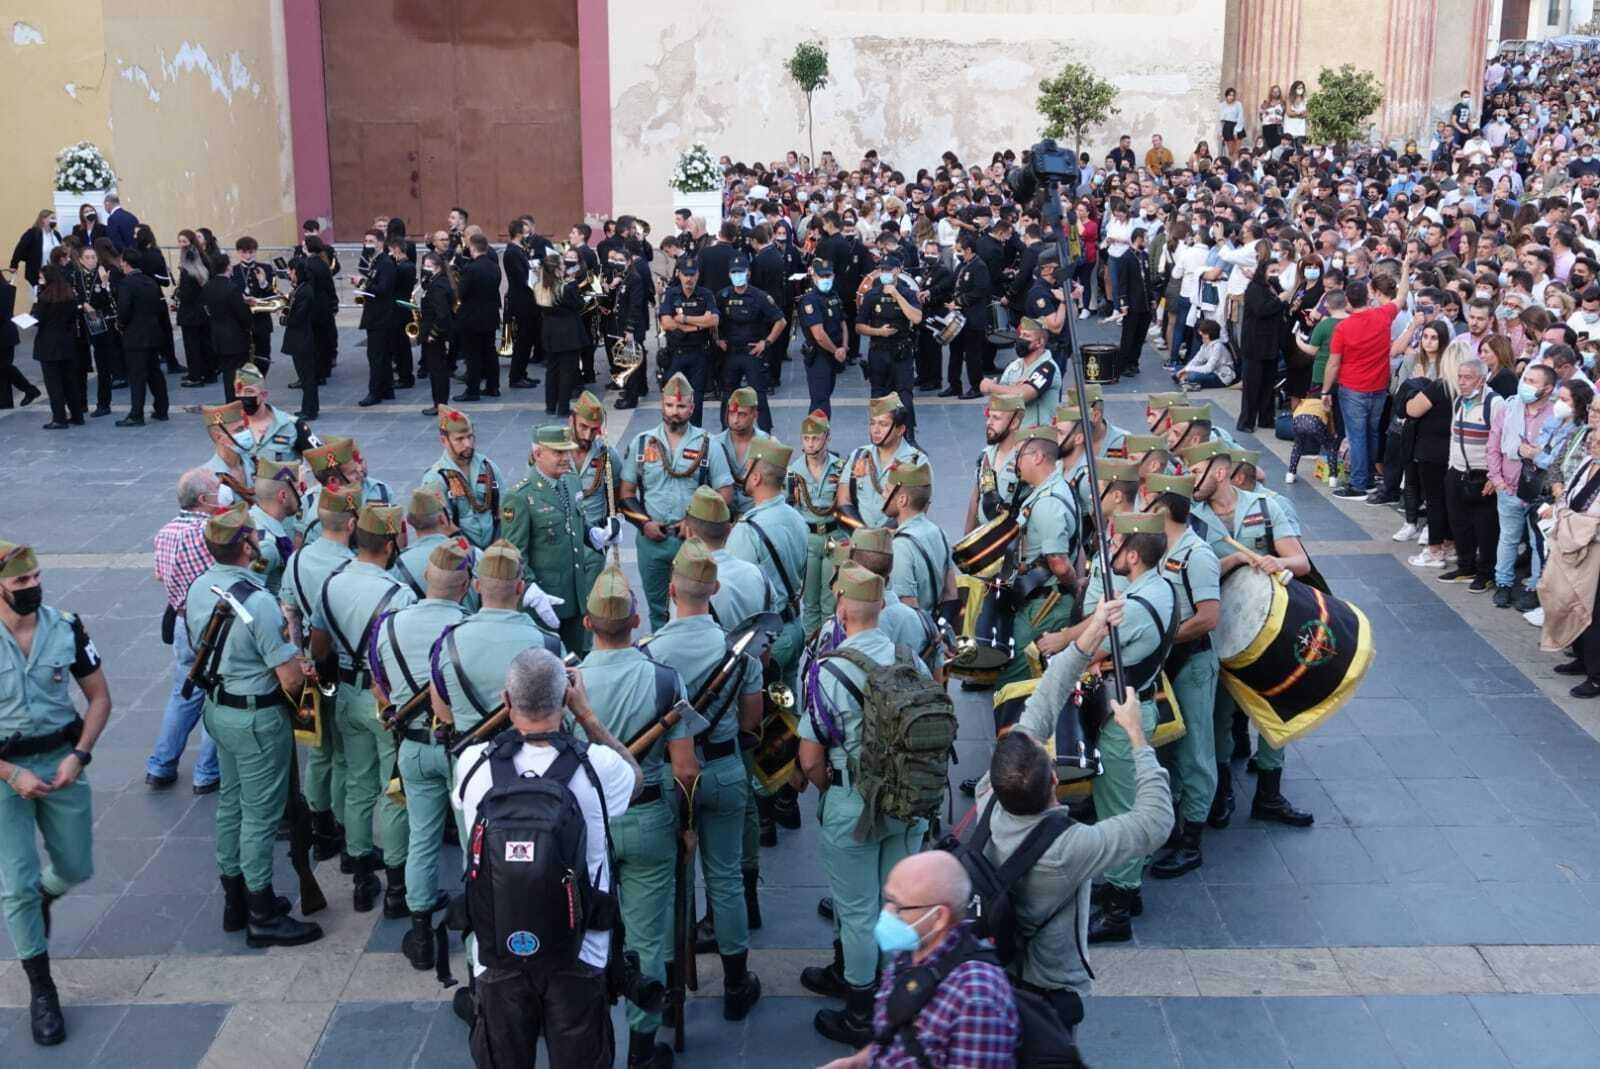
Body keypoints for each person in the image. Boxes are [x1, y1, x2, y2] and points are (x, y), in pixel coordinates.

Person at [452, 647, 640, 1069]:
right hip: (581, 948)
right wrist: (588, 716)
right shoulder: (599, 766)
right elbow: (637, 781)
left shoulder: (472, 764)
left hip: (497, 947)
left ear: (506, 700)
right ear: (566, 700)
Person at [968, 686, 1170, 1045]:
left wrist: (1085, 637)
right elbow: (1154, 821)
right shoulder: (1069, 847)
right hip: (1046, 981)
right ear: (1056, 780)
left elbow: (1039, 708)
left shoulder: (987, 799)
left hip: (993, 966)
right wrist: (1137, 734)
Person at [798, 564, 932, 1046]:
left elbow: (810, 757)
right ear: (879, 609)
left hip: (852, 803)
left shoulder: (828, 669)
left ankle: (859, 1012)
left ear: (841, 608)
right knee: (894, 905)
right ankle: (898, 999)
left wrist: (829, 789)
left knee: (856, 912)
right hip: (907, 799)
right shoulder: (909, 658)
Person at [183, 509, 323, 950]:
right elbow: (290, 679)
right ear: (245, 546)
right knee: (260, 816)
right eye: (255, 537)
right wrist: (303, 667)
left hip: (219, 708)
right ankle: (261, 911)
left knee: (232, 804)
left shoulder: (199, 587)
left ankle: (235, 900)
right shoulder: (259, 603)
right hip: (258, 718)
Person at [637, 543, 765, 1021]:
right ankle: (735, 984)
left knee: (673, 881)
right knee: (726, 877)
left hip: (672, 776)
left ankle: (671, 993)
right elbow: (753, 717)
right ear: (713, 590)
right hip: (726, 768)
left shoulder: (650, 652)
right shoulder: (737, 652)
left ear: (671, 590)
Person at [576, 565, 694, 1067]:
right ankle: (643, 1048)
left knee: (586, 934)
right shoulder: (665, 679)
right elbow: (685, 768)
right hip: (647, 819)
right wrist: (686, 826)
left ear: (587, 622)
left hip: (587, 825)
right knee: (650, 936)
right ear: (637, 619)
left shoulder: (568, 680)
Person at [0, 539, 110, 1046]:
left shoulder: (66, 627)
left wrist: (79, 755)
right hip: (4, 775)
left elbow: (99, 698)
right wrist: (9, 775)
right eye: (21, 581)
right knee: (16, 886)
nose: (34, 586)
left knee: (74, 867)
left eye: (36, 576)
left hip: (60, 763)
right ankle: (42, 989)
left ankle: (48, 892)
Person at [1184, 442, 1316, 829]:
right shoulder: (1191, 516)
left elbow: (1301, 563)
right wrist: (1235, 558)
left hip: (1267, 628)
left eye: (1196, 472)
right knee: (1221, 713)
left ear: (1219, 472)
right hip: (1222, 630)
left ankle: (1269, 794)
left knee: (1274, 706)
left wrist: (1279, 561)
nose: (1192, 480)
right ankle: (1222, 792)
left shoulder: (1264, 507)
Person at [369, 539, 472, 970]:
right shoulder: (470, 626)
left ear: (427, 579)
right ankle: (476, 932)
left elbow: (378, 686)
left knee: (422, 837)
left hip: (412, 746)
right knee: (472, 843)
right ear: (465, 585)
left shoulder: (388, 625)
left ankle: (421, 932)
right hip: (463, 749)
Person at [817, 850, 1020, 1069]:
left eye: (899, 906)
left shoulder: (977, 1000)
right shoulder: (911, 952)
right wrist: (859, 1061)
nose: (886, 912)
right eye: (887, 900)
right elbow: (895, 1033)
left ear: (939, 917)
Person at [313, 503, 415, 914]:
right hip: (384, 699)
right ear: (389, 544)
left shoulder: (331, 583)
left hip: (347, 694)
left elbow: (318, 645)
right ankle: (395, 882)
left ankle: (359, 871)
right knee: (395, 790)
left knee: (357, 781)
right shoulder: (399, 593)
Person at [1143, 474, 1221, 877]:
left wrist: (1165, 637)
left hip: (1190, 663)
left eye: (1147, 497)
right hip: (1165, 663)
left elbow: (1208, 617)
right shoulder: (1156, 548)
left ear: (1162, 507)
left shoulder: (1197, 554)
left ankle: (1192, 838)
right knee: (1168, 746)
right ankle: (1173, 824)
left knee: (1194, 751)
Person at [618, 374, 735, 629]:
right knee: (658, 610)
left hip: (693, 541)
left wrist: (694, 521)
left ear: (692, 408)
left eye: (681, 407)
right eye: (670, 405)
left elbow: (725, 492)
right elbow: (626, 493)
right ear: (662, 405)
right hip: (652, 541)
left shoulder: (708, 444)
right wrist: (644, 524)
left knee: (695, 608)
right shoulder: (641, 443)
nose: (675, 412)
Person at [279, 486, 359, 861]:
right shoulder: (350, 565)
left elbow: (289, 612)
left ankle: (319, 823)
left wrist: (300, 656)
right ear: (352, 522)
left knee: (319, 750)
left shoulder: (297, 560)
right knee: (343, 753)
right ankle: (342, 827)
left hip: (308, 665)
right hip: (340, 666)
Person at [501, 424, 610, 655]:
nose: (566, 458)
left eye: (568, 451)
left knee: (576, 658)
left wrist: (592, 534)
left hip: (576, 595)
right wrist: (529, 589)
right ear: (538, 454)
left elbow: (574, 523)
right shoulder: (520, 497)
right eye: (559, 453)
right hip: (544, 602)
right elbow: (514, 554)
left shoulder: (570, 481)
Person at [994, 427, 1078, 690]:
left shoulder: (1049, 502)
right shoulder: (1046, 492)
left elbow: (1058, 562)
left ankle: (1014, 730)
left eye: (1020, 456)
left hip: (1045, 603)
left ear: (1038, 456)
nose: (1015, 463)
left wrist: (1076, 591)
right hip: (1038, 595)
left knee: (1012, 677)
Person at [1324, 262, 1413, 498]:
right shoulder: (1382, 315)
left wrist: (1324, 391)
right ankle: (1370, 477)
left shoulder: (1343, 328)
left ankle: (1359, 484)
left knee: (1357, 435)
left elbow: (1333, 363)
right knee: (1372, 432)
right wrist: (1405, 268)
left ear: (1347, 302)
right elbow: (1402, 296)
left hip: (1353, 387)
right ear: (1368, 296)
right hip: (1378, 386)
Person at [1487, 363, 1557, 611]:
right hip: (1509, 486)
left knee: (1539, 543)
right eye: (1524, 378)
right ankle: (1503, 584)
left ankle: (1533, 588)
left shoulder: (1555, 415)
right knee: (1508, 538)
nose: (1524, 383)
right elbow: (1494, 445)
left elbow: (1556, 455)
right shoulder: (1509, 408)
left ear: (1547, 388)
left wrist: (1535, 454)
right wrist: (1497, 480)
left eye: (1532, 381)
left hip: (1539, 492)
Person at [836, 397, 931, 531]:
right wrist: (864, 535)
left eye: (883, 424)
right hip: (860, 541)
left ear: (900, 430)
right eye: (872, 423)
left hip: (898, 542)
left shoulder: (917, 462)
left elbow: (918, 509)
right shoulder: (858, 455)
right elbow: (843, 500)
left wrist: (881, 536)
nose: (875, 430)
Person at [715, 252, 785, 431]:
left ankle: (766, 434)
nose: (737, 276)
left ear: (748, 273)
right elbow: (714, 319)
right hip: (730, 353)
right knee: (727, 397)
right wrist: (717, 339)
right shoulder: (722, 296)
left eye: (741, 272)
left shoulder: (759, 296)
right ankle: (726, 433)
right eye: (733, 272)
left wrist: (766, 343)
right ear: (729, 274)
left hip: (752, 353)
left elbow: (781, 321)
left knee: (759, 397)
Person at [791, 410, 846, 635]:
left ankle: (829, 645)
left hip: (835, 537)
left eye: (815, 438)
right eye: (806, 438)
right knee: (810, 602)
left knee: (830, 602)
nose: (811, 444)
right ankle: (812, 649)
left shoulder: (841, 468)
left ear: (827, 438)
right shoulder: (794, 472)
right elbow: (790, 511)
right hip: (809, 540)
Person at [418, 408, 506, 549]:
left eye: (470, 437)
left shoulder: (488, 467)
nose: (468, 444)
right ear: (444, 441)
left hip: (495, 544)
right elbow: (443, 525)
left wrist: (502, 537)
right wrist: (472, 554)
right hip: (459, 551)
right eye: (460, 439)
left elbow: (506, 506)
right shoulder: (436, 478)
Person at [857, 252, 923, 436]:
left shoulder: (908, 293)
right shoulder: (872, 294)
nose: (885, 273)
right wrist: (878, 332)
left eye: (889, 269)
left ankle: (908, 435)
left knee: (905, 396)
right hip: (878, 351)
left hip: (901, 351)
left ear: (898, 271)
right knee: (879, 397)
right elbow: (859, 327)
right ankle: (879, 435)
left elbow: (916, 318)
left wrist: (896, 295)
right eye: (883, 269)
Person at [658, 255, 721, 426]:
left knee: (696, 398)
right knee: (672, 396)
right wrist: (700, 323)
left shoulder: (705, 294)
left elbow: (713, 320)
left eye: (692, 274)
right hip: (675, 354)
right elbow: (667, 322)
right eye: (685, 274)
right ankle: (671, 431)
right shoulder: (671, 294)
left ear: (698, 275)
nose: (689, 278)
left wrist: (684, 320)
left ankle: (695, 433)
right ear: (679, 274)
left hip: (698, 354)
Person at [1236, 245, 1286, 432]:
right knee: (1252, 385)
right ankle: (1246, 421)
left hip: (1271, 343)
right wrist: (1280, 300)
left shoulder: (1274, 287)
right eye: (1271, 271)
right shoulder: (1255, 288)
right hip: (1255, 343)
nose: (1274, 274)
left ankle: (1266, 417)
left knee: (1268, 384)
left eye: (1277, 271)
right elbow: (1262, 309)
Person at [535, 250, 588, 417]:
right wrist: (573, 285)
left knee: (552, 370)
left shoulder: (539, 286)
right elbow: (579, 305)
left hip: (549, 331)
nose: (565, 267)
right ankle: (563, 408)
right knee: (567, 371)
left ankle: (550, 405)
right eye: (563, 265)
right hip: (568, 333)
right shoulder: (565, 287)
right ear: (557, 269)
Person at [983, 317, 1059, 429]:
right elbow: (995, 405)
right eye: (1020, 335)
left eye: (1026, 336)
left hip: (1038, 438)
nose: (1020, 339)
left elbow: (1024, 394)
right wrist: (997, 393)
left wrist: (991, 387)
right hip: (1014, 436)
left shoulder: (1047, 367)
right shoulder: (1014, 367)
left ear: (1040, 342)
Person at [798, 258, 849, 417]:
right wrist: (837, 351)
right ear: (814, 278)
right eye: (822, 276)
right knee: (820, 402)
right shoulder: (810, 300)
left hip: (834, 353)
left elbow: (843, 323)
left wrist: (844, 347)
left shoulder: (834, 295)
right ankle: (815, 437)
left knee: (825, 395)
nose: (825, 280)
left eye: (828, 276)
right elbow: (819, 335)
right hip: (819, 355)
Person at [455, 234, 502, 402]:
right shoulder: (494, 266)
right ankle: (493, 387)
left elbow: (462, 293)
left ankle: (472, 390)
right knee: (489, 353)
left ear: (472, 247)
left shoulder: (471, 268)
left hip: (472, 318)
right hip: (490, 316)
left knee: (472, 355)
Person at [203, 252, 254, 402]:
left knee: (227, 373)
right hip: (235, 336)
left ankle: (230, 402)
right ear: (227, 267)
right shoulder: (231, 287)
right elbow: (242, 314)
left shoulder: (208, 286)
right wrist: (249, 323)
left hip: (218, 335)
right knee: (239, 374)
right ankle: (240, 403)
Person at [8, 209, 59, 291]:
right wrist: (14, 264)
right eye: (52, 218)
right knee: (39, 298)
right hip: (37, 272)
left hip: (55, 274)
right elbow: (20, 248)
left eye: (55, 218)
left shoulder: (56, 234)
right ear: (43, 219)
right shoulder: (33, 233)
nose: (54, 220)